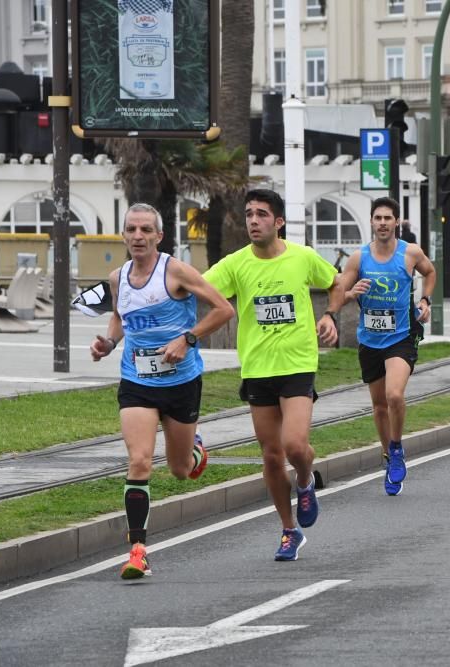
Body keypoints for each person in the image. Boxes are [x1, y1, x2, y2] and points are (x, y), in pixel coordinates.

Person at [89, 203, 235, 579]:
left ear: (158, 236)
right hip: (137, 382)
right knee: (139, 461)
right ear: (123, 235)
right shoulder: (117, 278)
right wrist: (108, 341)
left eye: (144, 230)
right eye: (131, 230)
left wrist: (187, 339)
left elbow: (223, 310)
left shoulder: (176, 272)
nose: (137, 236)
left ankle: (194, 450)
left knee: (180, 469)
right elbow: (121, 317)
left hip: (181, 382)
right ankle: (138, 550)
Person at [204, 189, 343, 561]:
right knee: (269, 456)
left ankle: (305, 479)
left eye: (262, 214)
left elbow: (337, 281)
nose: (253, 220)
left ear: (278, 222)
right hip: (258, 367)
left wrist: (330, 314)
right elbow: (200, 287)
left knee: (295, 447)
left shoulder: (302, 258)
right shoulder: (235, 264)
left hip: (297, 363)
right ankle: (288, 530)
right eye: (249, 214)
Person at [339, 197, 436, 496]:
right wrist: (351, 292)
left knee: (394, 394)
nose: (382, 222)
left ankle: (396, 448)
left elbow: (430, 273)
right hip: (369, 339)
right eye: (377, 218)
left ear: (397, 222)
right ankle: (387, 454)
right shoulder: (359, 258)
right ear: (371, 222)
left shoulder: (410, 253)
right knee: (379, 405)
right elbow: (339, 293)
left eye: (387, 218)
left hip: (402, 336)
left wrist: (425, 300)